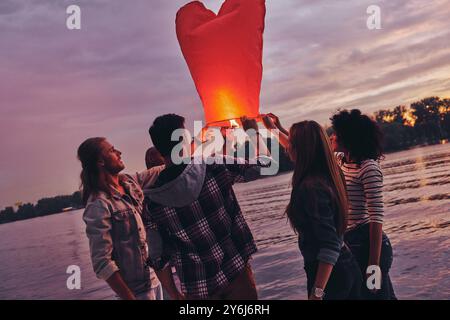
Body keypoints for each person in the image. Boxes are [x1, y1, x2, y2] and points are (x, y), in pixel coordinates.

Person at [143, 114, 271, 300]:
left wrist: (174, 294)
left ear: (159, 149)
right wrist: (253, 133)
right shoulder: (214, 166)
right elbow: (265, 166)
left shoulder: (152, 204)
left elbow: (157, 257)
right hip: (236, 274)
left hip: (198, 289)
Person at [263, 117, 362, 300]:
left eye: (292, 143)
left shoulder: (310, 188)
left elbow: (329, 244)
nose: (288, 147)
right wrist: (274, 129)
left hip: (330, 276)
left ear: (301, 149)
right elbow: (299, 148)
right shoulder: (330, 171)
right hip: (345, 265)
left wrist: (317, 294)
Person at [77, 137, 165, 300]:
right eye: (112, 150)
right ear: (100, 161)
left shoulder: (129, 182)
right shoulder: (99, 204)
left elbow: (159, 170)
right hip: (137, 293)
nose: (119, 153)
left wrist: (185, 158)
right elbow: (102, 262)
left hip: (155, 281)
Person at [331, 109, 396, 300]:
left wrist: (373, 264)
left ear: (347, 138)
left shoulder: (368, 168)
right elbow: (308, 151)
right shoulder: (341, 161)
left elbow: (376, 217)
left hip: (368, 244)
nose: (332, 136)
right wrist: (276, 129)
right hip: (351, 242)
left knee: (376, 295)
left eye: (336, 133)